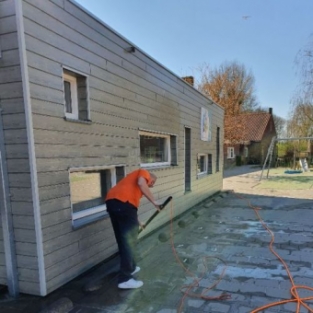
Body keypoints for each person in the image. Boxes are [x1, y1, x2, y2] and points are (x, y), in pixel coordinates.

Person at [105, 168, 160, 289]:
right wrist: (154, 202)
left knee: (122, 240)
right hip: (122, 205)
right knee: (130, 242)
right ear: (149, 178)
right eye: (152, 183)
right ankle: (124, 279)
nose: (151, 186)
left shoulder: (130, 188)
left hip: (112, 203)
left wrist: (138, 222)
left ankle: (132, 267)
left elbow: (128, 208)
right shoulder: (143, 172)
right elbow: (141, 183)